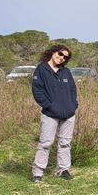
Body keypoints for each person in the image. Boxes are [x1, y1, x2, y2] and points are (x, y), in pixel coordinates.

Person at [30, 44, 78, 182]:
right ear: (53, 52)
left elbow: (73, 90)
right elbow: (37, 91)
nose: (62, 58)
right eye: (60, 54)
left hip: (68, 114)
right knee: (45, 143)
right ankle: (37, 172)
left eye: (65, 57)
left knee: (65, 143)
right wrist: (49, 106)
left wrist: (73, 105)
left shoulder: (66, 72)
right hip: (50, 114)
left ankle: (63, 170)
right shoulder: (41, 70)